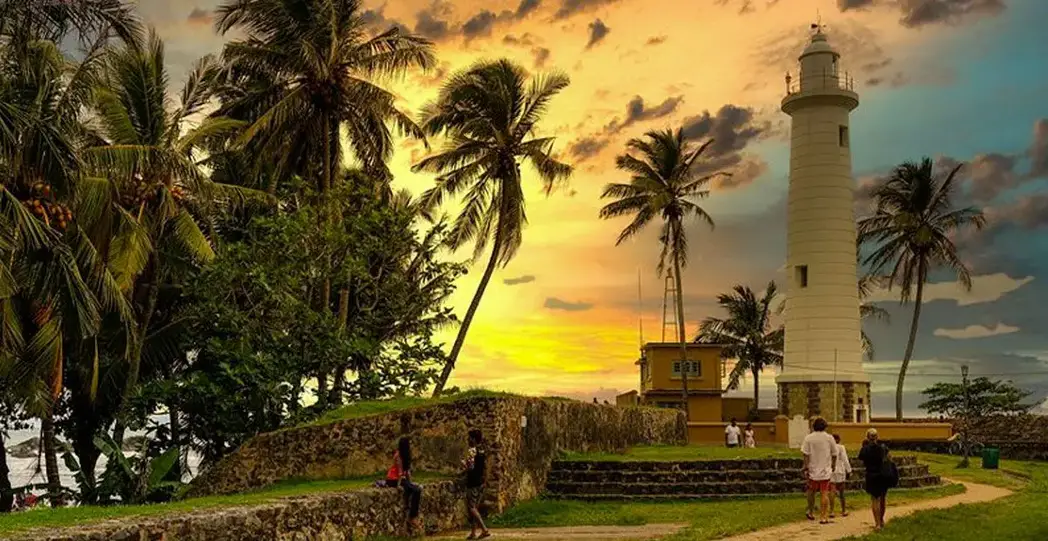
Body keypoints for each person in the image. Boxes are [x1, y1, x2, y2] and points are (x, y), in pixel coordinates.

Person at [375, 437, 423, 534]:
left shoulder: (406, 456)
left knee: (417, 489)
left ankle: (413, 515)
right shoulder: (398, 456)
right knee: (415, 490)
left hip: (401, 479)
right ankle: (412, 517)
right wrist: (400, 485)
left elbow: (407, 472)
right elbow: (400, 473)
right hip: (393, 479)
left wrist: (410, 483)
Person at [801, 417, 839, 524]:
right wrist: (833, 465)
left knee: (811, 492)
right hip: (825, 470)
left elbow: (805, 454)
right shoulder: (829, 438)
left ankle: (811, 511)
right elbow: (834, 453)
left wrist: (806, 466)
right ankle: (823, 516)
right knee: (824, 493)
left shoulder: (808, 438)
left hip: (812, 469)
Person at [858, 428, 891, 531]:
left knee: (874, 500)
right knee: (883, 499)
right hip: (882, 475)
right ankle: (881, 520)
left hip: (871, 475)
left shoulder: (865, 449)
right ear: (877, 437)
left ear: (867, 437)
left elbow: (861, 460)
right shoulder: (883, 448)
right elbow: (889, 459)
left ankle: (877, 523)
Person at [463, 429, 490, 540]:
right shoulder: (482, 450)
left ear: (473, 439)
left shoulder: (472, 451)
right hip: (480, 482)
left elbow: (470, 467)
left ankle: (484, 529)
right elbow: (485, 467)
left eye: (469, 437)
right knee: (475, 508)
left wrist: (464, 464)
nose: (468, 439)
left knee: (472, 507)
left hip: (472, 482)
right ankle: (473, 532)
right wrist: (485, 480)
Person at [829, 433, 852, 518]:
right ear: (838, 440)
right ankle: (843, 510)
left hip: (831, 470)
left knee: (832, 490)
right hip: (840, 470)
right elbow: (845, 459)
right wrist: (849, 470)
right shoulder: (841, 447)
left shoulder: (828, 447)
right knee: (842, 492)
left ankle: (831, 511)